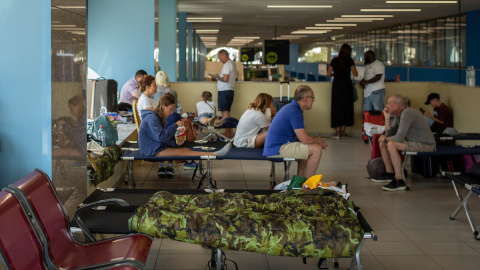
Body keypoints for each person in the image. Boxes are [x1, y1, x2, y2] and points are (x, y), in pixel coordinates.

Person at [138, 94, 232, 162]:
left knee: (184, 150)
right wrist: (175, 125)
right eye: (170, 109)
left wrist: (176, 143)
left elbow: (161, 138)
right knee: (184, 151)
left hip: (154, 147)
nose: (171, 113)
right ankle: (215, 155)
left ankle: (214, 154)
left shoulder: (156, 117)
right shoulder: (152, 118)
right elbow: (161, 137)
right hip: (151, 151)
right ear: (163, 106)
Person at [372, 95, 436, 191]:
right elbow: (390, 133)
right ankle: (389, 173)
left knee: (391, 144)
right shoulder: (399, 115)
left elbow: (398, 137)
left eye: (389, 103)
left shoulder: (407, 113)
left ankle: (399, 180)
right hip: (413, 142)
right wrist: (387, 118)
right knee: (383, 143)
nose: (387, 105)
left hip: (426, 145)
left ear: (397, 106)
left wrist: (385, 138)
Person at [264, 85, 328, 179]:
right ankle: (308, 186)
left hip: (276, 145)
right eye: (312, 98)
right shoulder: (294, 111)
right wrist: (318, 140)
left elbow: (300, 137)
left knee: (306, 148)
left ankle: (301, 181)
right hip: (277, 148)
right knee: (316, 149)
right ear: (305, 99)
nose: (313, 100)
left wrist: (315, 141)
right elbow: (305, 139)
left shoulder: (292, 108)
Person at [327, 44, 358, 139]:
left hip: (336, 86)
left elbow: (328, 74)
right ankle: (343, 132)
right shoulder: (350, 61)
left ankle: (337, 132)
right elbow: (355, 74)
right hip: (346, 86)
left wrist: (336, 73)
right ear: (348, 51)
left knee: (337, 107)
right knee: (346, 107)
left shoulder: (334, 60)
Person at [213, 49, 237, 138]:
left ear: (224, 56)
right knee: (226, 112)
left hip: (224, 91)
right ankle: (230, 132)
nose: (219, 60)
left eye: (219, 58)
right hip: (229, 90)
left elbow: (225, 79)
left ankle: (228, 133)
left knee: (225, 113)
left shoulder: (227, 64)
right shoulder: (232, 64)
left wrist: (216, 77)